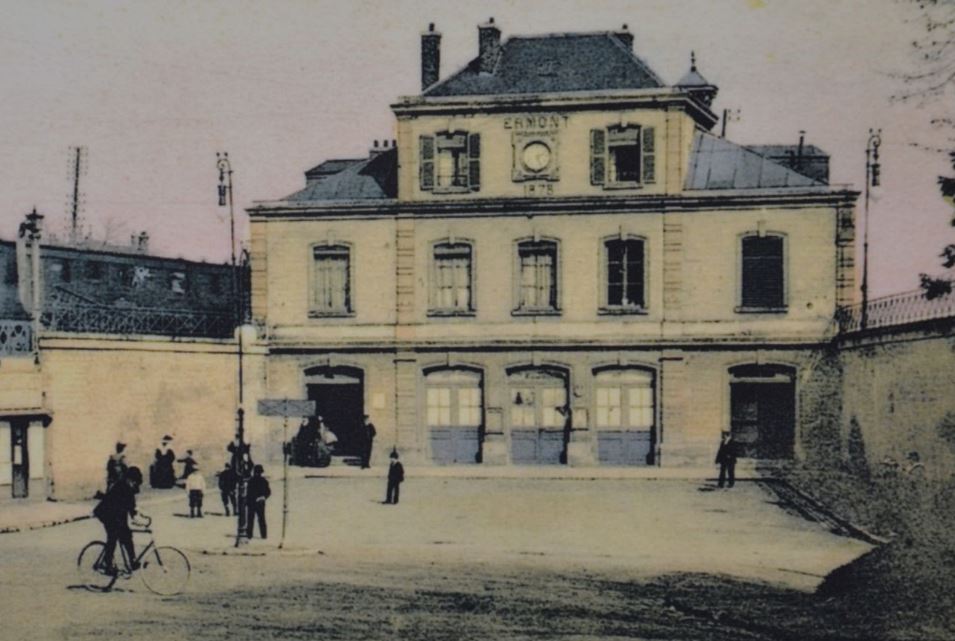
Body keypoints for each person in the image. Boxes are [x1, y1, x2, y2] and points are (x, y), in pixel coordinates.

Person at [93, 465, 143, 573]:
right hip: (106, 513)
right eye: (134, 482)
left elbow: (131, 506)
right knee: (113, 536)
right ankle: (107, 563)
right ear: (129, 479)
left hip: (117, 515)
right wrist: (135, 518)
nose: (135, 485)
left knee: (127, 535)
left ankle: (133, 561)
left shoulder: (129, 487)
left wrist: (138, 516)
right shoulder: (121, 486)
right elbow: (118, 505)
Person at [246, 464, 271, 539]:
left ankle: (249, 535)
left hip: (252, 503)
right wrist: (263, 497)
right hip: (260, 503)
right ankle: (263, 535)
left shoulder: (251, 481)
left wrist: (248, 501)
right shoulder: (264, 481)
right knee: (261, 519)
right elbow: (268, 492)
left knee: (251, 519)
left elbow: (248, 493)